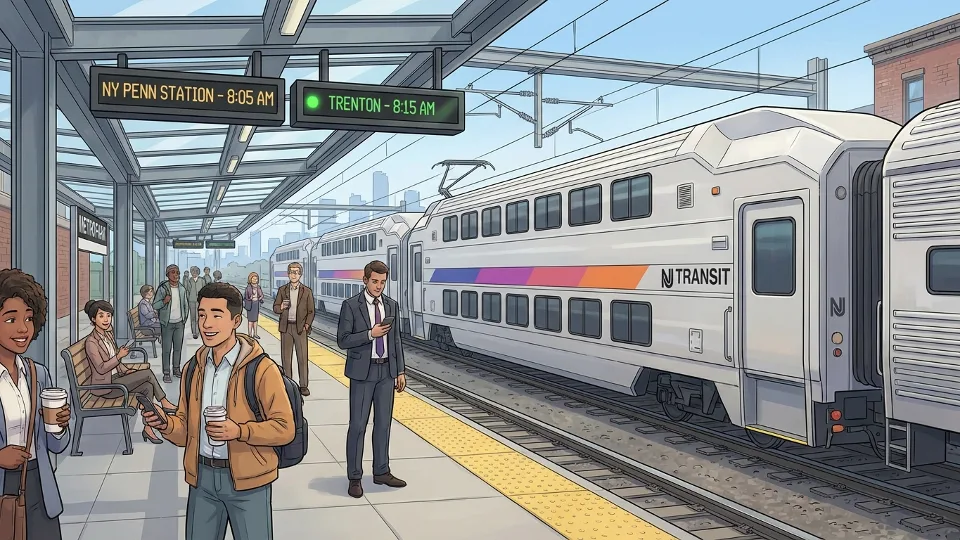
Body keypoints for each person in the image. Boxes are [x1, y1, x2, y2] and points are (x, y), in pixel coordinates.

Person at [142, 282, 294, 540]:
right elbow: (185, 432)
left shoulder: (261, 369)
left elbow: (284, 428)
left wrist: (239, 431)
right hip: (202, 480)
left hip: (250, 483)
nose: (206, 323)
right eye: (202, 314)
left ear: (236, 321)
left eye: (216, 315)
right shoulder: (193, 369)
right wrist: (165, 424)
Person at [0, 268, 71, 540]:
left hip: (38, 485)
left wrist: (60, 428)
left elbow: (54, 446)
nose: (23, 328)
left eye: (29, 318)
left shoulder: (37, 374)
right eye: (11, 319)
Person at [336, 260, 407, 498]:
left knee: (383, 425)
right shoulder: (351, 306)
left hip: (386, 373)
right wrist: (370, 334)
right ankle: (354, 477)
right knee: (357, 426)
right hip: (362, 374)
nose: (379, 286)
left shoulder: (392, 306)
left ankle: (381, 471)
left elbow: (396, 340)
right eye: (375, 281)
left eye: (383, 282)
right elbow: (343, 340)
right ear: (365, 280)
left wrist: (400, 371)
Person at [83, 299, 177, 444]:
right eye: (101, 316)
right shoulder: (91, 342)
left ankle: (148, 428)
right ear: (93, 319)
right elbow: (101, 368)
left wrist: (126, 370)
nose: (106, 319)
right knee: (147, 374)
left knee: (147, 387)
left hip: (116, 379)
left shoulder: (108, 333)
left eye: (108, 315)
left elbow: (116, 362)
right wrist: (119, 356)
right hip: (105, 387)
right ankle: (164, 402)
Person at [272, 262, 314, 397]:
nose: (293, 274)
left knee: (302, 357)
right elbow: (275, 308)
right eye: (291, 272)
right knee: (286, 358)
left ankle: (303, 386)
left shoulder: (307, 291)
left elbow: (311, 311)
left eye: (296, 272)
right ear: (288, 274)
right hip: (286, 328)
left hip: (300, 328)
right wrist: (282, 307)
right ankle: (288, 384)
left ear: (300, 274)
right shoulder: (282, 290)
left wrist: (306, 325)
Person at [154, 264, 189, 383]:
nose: (176, 275)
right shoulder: (163, 289)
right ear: (168, 275)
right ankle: (166, 373)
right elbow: (155, 305)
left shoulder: (182, 289)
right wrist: (164, 301)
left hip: (179, 323)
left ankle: (176, 369)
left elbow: (185, 305)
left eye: (177, 273)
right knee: (167, 349)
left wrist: (184, 319)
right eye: (173, 272)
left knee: (178, 348)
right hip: (167, 324)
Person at [184, 267, 204, 340]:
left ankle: (199, 331)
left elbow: (204, 289)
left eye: (195, 272)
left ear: (198, 273)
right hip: (191, 301)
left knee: (199, 317)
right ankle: (194, 333)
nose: (193, 274)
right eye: (192, 272)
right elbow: (187, 289)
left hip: (200, 301)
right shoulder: (189, 280)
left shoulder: (202, 280)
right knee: (193, 317)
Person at [244, 273, 264, 339]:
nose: (255, 280)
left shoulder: (258, 287)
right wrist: (250, 298)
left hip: (256, 304)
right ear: (250, 279)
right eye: (254, 279)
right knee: (250, 321)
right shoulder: (248, 288)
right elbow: (246, 297)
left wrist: (260, 297)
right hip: (250, 305)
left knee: (255, 320)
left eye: (256, 279)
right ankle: (250, 334)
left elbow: (261, 295)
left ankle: (255, 334)